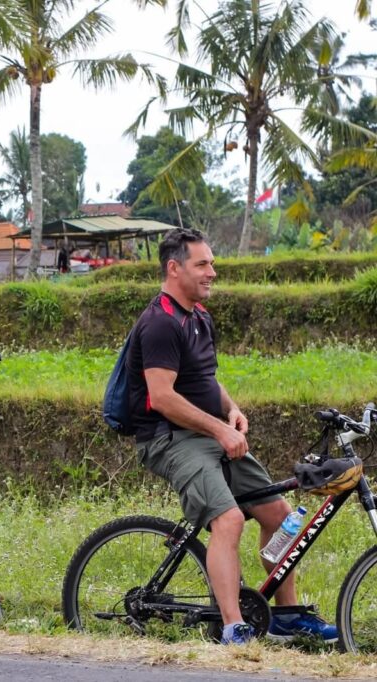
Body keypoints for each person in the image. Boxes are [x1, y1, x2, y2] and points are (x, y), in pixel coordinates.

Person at [127, 227, 337, 645]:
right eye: (202, 264)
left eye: (212, 263)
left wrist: (231, 409)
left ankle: (287, 615)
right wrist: (220, 429)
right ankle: (232, 627)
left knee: (279, 516)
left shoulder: (198, 316)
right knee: (229, 519)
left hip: (206, 432)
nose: (212, 272)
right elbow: (163, 397)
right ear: (174, 268)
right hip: (170, 438)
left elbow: (205, 380)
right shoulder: (160, 323)